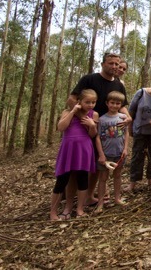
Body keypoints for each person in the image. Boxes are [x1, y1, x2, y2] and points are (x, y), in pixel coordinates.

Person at [66, 52, 130, 207]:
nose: (114, 66)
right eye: (111, 63)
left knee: (96, 166)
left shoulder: (118, 85)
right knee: (78, 166)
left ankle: (88, 196)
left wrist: (128, 118)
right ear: (103, 64)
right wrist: (85, 119)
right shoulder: (89, 79)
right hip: (83, 130)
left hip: (107, 134)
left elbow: (122, 105)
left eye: (116, 64)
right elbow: (72, 99)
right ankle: (69, 201)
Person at [50, 89, 98, 220]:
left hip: (84, 150)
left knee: (83, 180)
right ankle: (54, 212)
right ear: (79, 101)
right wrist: (73, 112)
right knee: (62, 181)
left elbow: (92, 135)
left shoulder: (93, 114)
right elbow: (61, 127)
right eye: (87, 102)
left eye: (93, 102)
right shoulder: (67, 112)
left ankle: (80, 209)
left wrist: (92, 126)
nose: (90, 105)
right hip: (68, 150)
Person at [95, 91, 129, 213]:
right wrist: (101, 154)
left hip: (119, 152)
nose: (114, 105)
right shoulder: (102, 119)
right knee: (103, 177)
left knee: (118, 175)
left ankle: (117, 198)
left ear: (121, 105)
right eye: (112, 103)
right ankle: (100, 203)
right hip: (106, 153)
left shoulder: (123, 118)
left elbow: (126, 133)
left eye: (117, 103)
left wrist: (125, 148)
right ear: (107, 103)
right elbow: (97, 137)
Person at [126, 81, 151, 192]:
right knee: (137, 156)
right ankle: (133, 183)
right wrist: (130, 128)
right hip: (140, 130)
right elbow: (131, 111)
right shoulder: (141, 93)